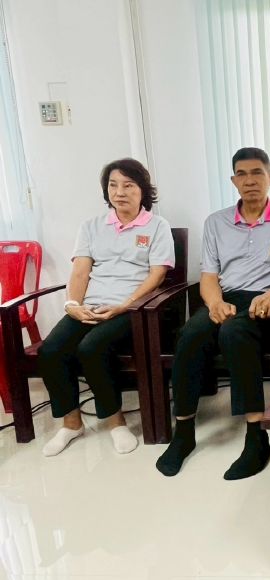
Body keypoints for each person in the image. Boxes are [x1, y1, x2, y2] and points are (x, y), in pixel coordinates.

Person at [156, 147, 270, 480]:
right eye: (242, 174)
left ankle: (256, 437)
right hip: (226, 298)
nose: (250, 180)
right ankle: (184, 432)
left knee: (234, 332)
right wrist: (214, 304)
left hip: (266, 302)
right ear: (233, 180)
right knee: (190, 333)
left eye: (257, 173)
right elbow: (209, 276)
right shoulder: (216, 222)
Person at [38, 158, 175, 456]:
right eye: (113, 185)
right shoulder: (91, 227)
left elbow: (157, 275)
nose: (119, 192)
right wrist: (72, 304)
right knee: (51, 350)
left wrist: (124, 306)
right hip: (91, 306)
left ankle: (115, 423)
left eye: (128, 185)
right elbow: (80, 272)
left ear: (142, 190)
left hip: (132, 309)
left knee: (92, 348)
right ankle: (71, 424)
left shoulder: (157, 226)